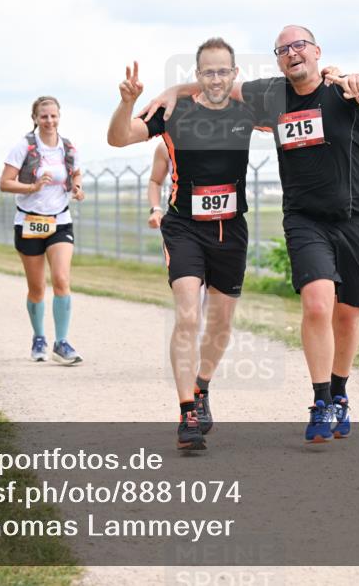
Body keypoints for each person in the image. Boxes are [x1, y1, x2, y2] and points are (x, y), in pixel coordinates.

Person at [140, 25, 359, 442]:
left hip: (356, 219)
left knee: (347, 316)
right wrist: (175, 90)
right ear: (278, 59)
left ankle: (339, 392)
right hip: (304, 219)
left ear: (316, 51)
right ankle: (320, 402)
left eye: (300, 45)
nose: (292, 52)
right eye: (283, 49)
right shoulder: (272, 95)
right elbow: (220, 83)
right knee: (317, 305)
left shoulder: (341, 90)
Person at [109, 40, 259, 450]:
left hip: (231, 229)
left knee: (221, 323)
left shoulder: (247, 109)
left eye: (222, 71)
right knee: (189, 316)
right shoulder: (172, 111)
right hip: (184, 228)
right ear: (197, 75)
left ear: (233, 74)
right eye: (207, 72)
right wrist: (127, 104)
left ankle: (202, 386)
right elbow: (119, 139)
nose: (215, 79)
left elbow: (295, 98)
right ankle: (187, 411)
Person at [0, 96, 85, 365]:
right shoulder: (23, 147)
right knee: (37, 287)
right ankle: (39, 337)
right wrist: (31, 188)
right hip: (29, 222)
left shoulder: (68, 147)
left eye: (53, 116)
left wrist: (78, 187)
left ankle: (62, 342)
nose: (49, 121)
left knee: (61, 279)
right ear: (35, 118)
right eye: (44, 116)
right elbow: (5, 183)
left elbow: (76, 174)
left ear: (60, 116)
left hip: (59, 220)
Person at [146, 141, 170, 230]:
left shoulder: (216, 143)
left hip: (215, 222)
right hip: (180, 221)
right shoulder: (165, 147)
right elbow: (155, 181)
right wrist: (156, 210)